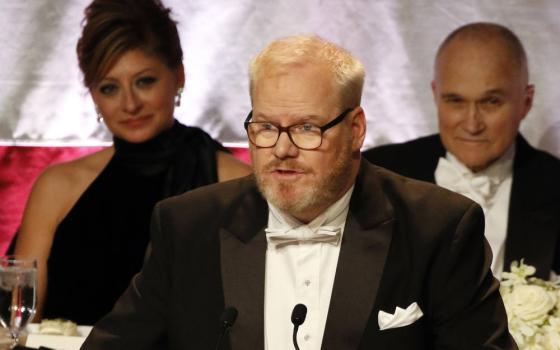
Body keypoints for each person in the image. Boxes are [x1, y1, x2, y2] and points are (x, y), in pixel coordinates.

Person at [81, 34, 515, 349]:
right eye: (266, 128)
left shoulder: (438, 228)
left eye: (307, 128)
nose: (282, 150)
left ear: (356, 129)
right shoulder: (188, 225)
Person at [13, 0, 251, 325]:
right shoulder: (57, 187)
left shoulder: (235, 185)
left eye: (144, 81)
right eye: (110, 88)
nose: (130, 104)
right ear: (94, 95)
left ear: (178, 76)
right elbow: (18, 327)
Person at [363, 22, 560, 279]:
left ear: (526, 101)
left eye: (491, 102)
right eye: (455, 101)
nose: (472, 124)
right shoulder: (375, 175)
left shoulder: (555, 186)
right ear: (435, 95)